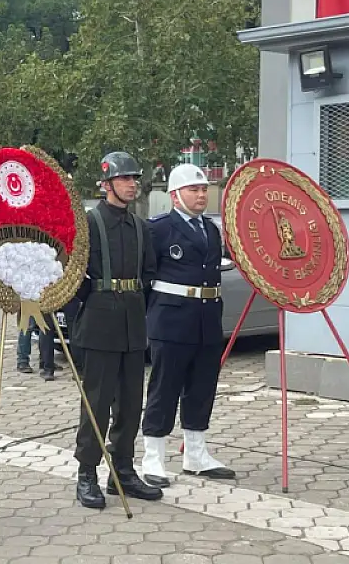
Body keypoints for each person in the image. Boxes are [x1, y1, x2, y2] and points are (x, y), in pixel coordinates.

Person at [70, 150, 162, 509]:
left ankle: (122, 471)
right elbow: (73, 276)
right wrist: (92, 303)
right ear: (106, 183)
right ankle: (86, 473)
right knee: (96, 403)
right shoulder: (89, 224)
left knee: (130, 403)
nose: (131, 184)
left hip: (132, 323)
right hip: (99, 323)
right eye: (125, 179)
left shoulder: (140, 226)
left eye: (134, 178)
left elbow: (149, 273)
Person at [139, 164, 236, 487]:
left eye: (204, 189)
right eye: (194, 190)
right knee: (164, 388)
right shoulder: (159, 229)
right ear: (175, 195)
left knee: (201, 388)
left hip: (207, 319)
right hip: (172, 320)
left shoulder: (211, 230)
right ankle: (153, 457)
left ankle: (196, 455)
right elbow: (144, 278)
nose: (201, 195)